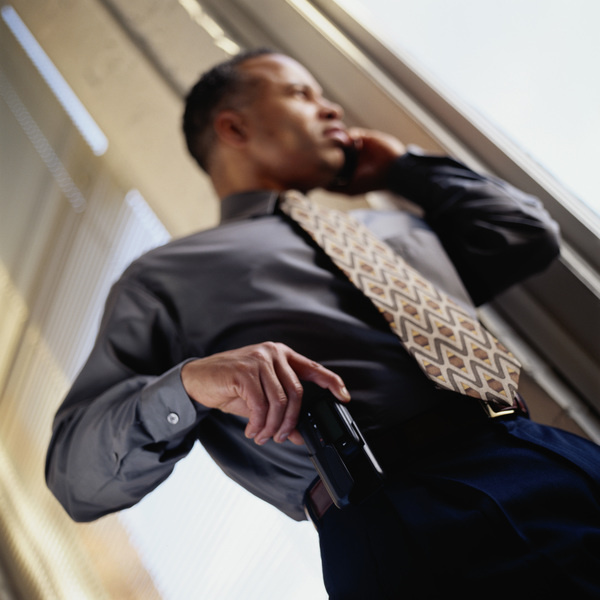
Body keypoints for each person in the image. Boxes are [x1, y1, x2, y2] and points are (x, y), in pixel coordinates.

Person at [46, 49, 600, 598]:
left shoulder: (390, 228)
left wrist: (401, 168)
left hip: (552, 451)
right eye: (300, 94)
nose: (332, 108)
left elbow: (524, 231)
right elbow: (76, 480)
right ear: (234, 128)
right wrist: (188, 385)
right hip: (405, 519)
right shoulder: (162, 278)